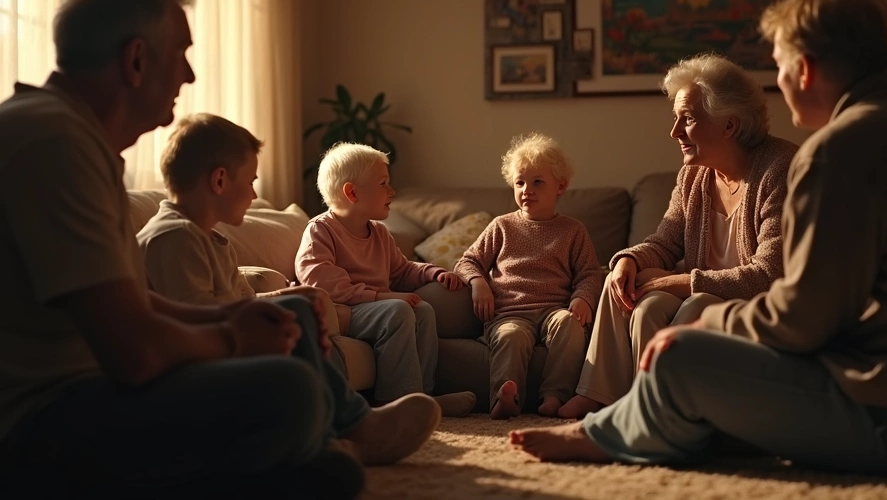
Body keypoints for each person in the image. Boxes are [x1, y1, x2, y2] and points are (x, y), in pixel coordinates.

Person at [511, 0, 887, 476]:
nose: (779, 84)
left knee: (682, 354)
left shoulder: (838, 150)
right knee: (687, 338)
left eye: (780, 66)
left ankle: (613, 434)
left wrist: (707, 324)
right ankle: (634, 424)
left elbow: (804, 320)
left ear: (806, 68)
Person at [0, 0, 363, 499]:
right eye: (182, 55)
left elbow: (128, 303)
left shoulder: (71, 138)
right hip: (20, 432)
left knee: (286, 325)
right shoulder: (51, 145)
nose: (190, 76)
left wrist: (226, 313)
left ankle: (306, 457)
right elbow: (136, 352)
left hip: (77, 393)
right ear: (136, 60)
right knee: (289, 394)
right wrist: (235, 338)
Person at [136, 112, 441, 465]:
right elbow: (197, 321)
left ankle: (348, 425)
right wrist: (278, 309)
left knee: (297, 307)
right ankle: (350, 425)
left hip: (218, 355)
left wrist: (284, 296)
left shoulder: (208, 238)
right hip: (187, 374)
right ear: (219, 180)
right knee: (295, 320)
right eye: (251, 181)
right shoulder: (174, 238)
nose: (254, 194)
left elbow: (237, 303)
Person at [558, 54, 798, 419]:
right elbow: (666, 242)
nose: (675, 132)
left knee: (694, 305)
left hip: (756, 305)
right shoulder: (694, 178)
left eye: (687, 119)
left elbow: (769, 274)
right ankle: (606, 398)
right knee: (628, 287)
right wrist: (631, 260)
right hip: (700, 291)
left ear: (728, 125)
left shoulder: (779, 169)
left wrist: (681, 282)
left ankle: (656, 412)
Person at [296, 142, 477, 417]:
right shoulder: (321, 230)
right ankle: (397, 401)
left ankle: (422, 396)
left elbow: (401, 271)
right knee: (398, 310)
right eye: (383, 183)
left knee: (424, 310)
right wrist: (382, 297)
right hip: (343, 312)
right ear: (352, 192)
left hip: (375, 308)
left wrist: (433, 272)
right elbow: (322, 283)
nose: (392, 191)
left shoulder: (379, 233)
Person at [452, 133, 602, 420]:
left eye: (537, 182)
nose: (526, 190)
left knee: (570, 326)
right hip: (510, 313)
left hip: (554, 310)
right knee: (511, 337)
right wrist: (478, 282)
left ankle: (555, 395)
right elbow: (468, 261)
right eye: (519, 182)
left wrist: (583, 298)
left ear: (561, 186)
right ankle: (504, 398)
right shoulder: (502, 226)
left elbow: (589, 273)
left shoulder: (573, 230)